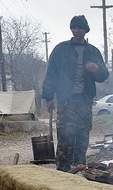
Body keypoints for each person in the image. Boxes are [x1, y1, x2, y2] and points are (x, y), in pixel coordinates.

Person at [42, 15, 109, 171]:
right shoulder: (61, 49)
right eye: (73, 27)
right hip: (66, 100)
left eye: (79, 28)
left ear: (85, 30)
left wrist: (96, 68)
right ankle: (63, 171)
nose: (76, 31)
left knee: (82, 136)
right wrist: (48, 97)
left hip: (85, 101)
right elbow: (51, 73)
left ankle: (80, 168)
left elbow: (104, 76)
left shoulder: (93, 51)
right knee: (65, 137)